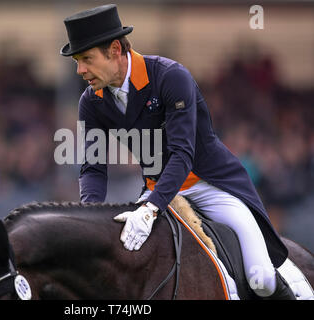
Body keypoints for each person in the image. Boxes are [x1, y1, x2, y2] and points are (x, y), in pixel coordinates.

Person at [60, 4, 294, 299]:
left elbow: (182, 154)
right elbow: (93, 167)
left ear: (115, 49)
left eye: (86, 59)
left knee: (261, 279)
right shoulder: (91, 100)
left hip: (212, 188)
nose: (80, 70)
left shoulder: (171, 77)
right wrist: (88, 217)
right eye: (77, 62)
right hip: (158, 193)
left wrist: (150, 209)